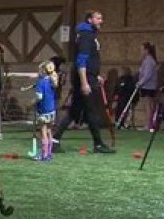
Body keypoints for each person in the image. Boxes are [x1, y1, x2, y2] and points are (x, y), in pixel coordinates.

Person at [52, 10, 115, 154]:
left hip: (89, 76)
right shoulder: (86, 35)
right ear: (89, 20)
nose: (101, 21)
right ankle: (98, 144)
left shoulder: (89, 34)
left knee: (75, 110)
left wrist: (95, 75)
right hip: (85, 78)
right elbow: (81, 60)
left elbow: (90, 59)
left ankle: (54, 140)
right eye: (98, 18)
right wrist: (85, 82)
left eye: (101, 18)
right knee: (92, 110)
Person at [32, 60, 58, 161]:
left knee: (43, 133)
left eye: (39, 70)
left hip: (43, 111)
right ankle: (49, 154)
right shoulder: (52, 81)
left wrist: (31, 103)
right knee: (49, 131)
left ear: (43, 71)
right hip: (52, 111)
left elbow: (39, 97)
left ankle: (44, 155)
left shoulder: (41, 82)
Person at [136, 42, 159, 130]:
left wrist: (140, 82)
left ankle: (149, 124)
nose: (141, 52)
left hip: (148, 86)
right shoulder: (146, 60)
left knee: (148, 105)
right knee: (148, 105)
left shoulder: (149, 61)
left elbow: (148, 75)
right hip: (146, 86)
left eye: (142, 50)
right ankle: (149, 123)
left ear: (147, 50)